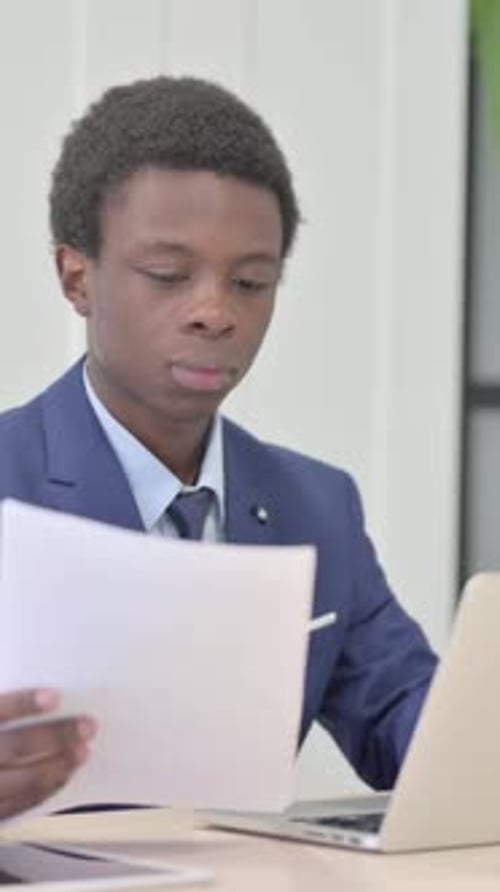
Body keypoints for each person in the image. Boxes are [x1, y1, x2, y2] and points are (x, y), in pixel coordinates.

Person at [0, 76, 437, 818]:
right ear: (77, 277)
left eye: (251, 281)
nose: (214, 312)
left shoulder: (318, 507)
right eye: (169, 276)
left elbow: (416, 728)